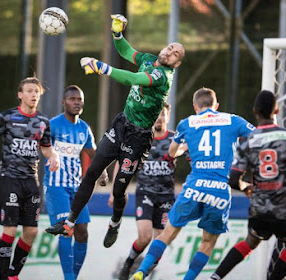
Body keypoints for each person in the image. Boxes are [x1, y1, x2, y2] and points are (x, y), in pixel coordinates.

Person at [46, 14, 185, 250]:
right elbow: (126, 51)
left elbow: (133, 78)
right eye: (170, 47)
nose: (169, 52)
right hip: (121, 125)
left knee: (118, 189)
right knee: (92, 172)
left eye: (175, 54)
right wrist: (117, 33)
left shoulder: (163, 77)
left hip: (138, 138)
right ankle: (69, 222)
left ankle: (115, 221)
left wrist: (103, 68)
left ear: (177, 63)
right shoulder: (150, 59)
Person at [130, 87, 256, 280]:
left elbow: (172, 153)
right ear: (216, 105)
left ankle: (141, 270)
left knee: (168, 232)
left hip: (194, 188)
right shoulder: (233, 120)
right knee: (207, 242)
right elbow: (257, 137)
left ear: (195, 106)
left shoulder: (187, 123)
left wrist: (184, 147)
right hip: (220, 191)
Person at [209, 90, 286, 280]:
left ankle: (216, 276)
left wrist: (246, 187)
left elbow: (233, 180)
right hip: (285, 212)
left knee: (250, 241)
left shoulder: (248, 142)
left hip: (259, 210)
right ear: (276, 110)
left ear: (254, 111)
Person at [0, 77, 60, 280]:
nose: (34, 95)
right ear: (20, 94)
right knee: (10, 229)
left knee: (31, 231)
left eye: (37, 92)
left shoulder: (43, 121)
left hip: (31, 182)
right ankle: (5, 277)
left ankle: (13, 274)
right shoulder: (7, 117)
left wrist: (55, 157)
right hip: (9, 179)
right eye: (30, 91)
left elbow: (47, 148)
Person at [114, 103, 189, 280]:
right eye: (157, 114)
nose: (159, 118)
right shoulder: (142, 137)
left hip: (166, 197)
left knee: (160, 241)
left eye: (163, 115)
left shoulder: (175, 139)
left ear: (168, 117)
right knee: (145, 236)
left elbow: (192, 156)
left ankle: (144, 273)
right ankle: (129, 263)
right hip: (145, 193)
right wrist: (114, 191)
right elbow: (122, 161)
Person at [43, 85, 108, 280]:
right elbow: (43, 147)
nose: (76, 102)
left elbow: (92, 152)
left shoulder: (84, 128)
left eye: (79, 99)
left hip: (76, 188)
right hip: (56, 186)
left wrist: (102, 170)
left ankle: (74, 276)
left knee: (82, 232)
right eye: (72, 99)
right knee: (66, 229)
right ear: (63, 102)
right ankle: (69, 277)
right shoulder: (53, 124)